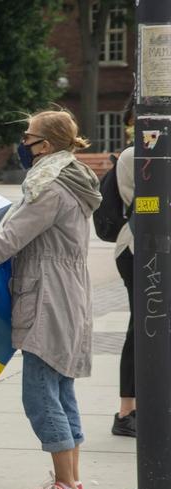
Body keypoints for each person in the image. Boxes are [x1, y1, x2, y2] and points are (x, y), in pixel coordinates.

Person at [0, 110, 101, 489]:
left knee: (39, 393)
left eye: (29, 138)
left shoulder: (49, 188)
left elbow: (8, 241)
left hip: (49, 296)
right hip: (65, 292)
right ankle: (71, 480)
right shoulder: (68, 177)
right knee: (60, 389)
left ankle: (65, 484)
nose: (23, 144)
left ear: (45, 146)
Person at [112, 145, 136, 437]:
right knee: (143, 326)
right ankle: (126, 410)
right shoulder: (140, 153)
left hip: (147, 245)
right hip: (138, 246)